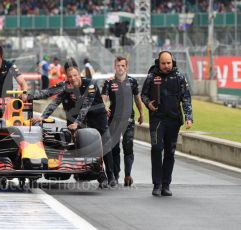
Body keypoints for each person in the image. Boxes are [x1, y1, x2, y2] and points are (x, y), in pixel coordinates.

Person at [31, 58, 117, 188]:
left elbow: (86, 106)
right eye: (70, 76)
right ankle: (101, 175)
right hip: (74, 116)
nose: (73, 78)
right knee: (81, 145)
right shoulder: (65, 86)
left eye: (75, 75)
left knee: (104, 144)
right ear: (66, 75)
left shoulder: (90, 84)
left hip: (96, 115)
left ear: (79, 73)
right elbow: (54, 101)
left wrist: (77, 122)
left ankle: (111, 176)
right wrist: (43, 116)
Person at [141, 51, 193, 196]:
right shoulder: (152, 76)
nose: (166, 66)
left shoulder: (179, 77)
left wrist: (189, 117)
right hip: (157, 119)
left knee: (170, 152)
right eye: (163, 63)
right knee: (157, 149)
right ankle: (156, 184)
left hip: (174, 120)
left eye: (169, 63)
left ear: (173, 62)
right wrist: (147, 103)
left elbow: (186, 98)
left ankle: (166, 185)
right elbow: (143, 94)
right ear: (159, 62)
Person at [101, 56, 143, 186]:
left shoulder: (132, 81)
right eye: (118, 66)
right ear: (115, 67)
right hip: (113, 119)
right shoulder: (109, 82)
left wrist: (141, 113)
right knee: (114, 148)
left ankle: (128, 175)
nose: (120, 68)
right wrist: (104, 107)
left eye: (123, 66)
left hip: (128, 119)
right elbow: (103, 98)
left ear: (126, 67)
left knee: (128, 146)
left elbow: (137, 99)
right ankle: (115, 175)